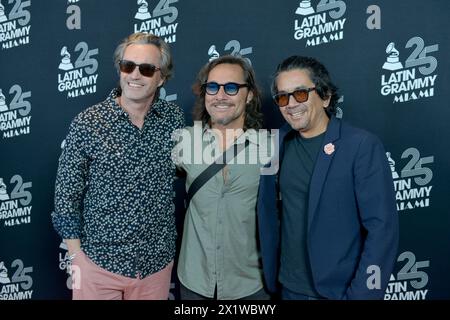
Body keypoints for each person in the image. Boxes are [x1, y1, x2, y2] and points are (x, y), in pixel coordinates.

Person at [52, 32, 184, 300]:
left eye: (146, 69)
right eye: (128, 66)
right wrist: (77, 257)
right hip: (98, 265)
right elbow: (66, 195)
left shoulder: (173, 118)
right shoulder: (88, 123)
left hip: (155, 265)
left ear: (162, 77)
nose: (135, 75)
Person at [257, 55, 399, 300]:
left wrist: (360, 296)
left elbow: (381, 230)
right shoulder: (275, 144)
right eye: (282, 97)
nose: (291, 104)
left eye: (300, 94)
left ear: (325, 96)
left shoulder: (361, 146)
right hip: (287, 289)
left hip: (338, 292)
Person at [173, 55, 273, 300]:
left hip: (250, 285)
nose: (220, 96)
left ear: (249, 95)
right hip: (194, 281)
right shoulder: (184, 140)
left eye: (231, 88)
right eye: (212, 87)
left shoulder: (270, 147)